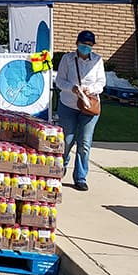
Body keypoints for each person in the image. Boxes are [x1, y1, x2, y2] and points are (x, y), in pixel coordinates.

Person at [54, 29, 106, 192]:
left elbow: (101, 83)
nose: (86, 47)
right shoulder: (67, 59)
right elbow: (59, 81)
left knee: (84, 143)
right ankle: (58, 172)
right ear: (77, 44)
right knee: (66, 141)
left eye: (90, 45)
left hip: (89, 106)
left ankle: (80, 177)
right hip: (68, 104)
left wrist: (90, 89)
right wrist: (73, 88)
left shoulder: (98, 60)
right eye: (84, 44)